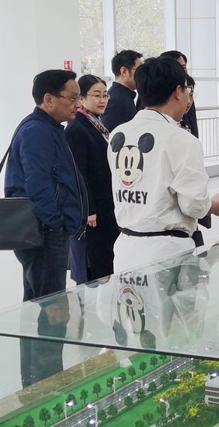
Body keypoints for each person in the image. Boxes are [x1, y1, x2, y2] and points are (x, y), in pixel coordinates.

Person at [107, 57, 219, 272]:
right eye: (188, 89)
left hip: (126, 247)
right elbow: (194, 205)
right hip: (167, 252)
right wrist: (215, 205)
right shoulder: (180, 139)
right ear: (178, 92)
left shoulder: (119, 133)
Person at [5, 70, 86, 301]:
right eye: (73, 98)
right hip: (44, 232)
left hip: (46, 229)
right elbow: (38, 184)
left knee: (40, 299)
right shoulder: (37, 131)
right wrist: (55, 224)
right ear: (49, 99)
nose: (78, 104)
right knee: (52, 304)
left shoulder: (49, 128)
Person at [65, 74, 119, 283]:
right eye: (96, 95)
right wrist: (89, 209)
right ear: (82, 98)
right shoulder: (77, 128)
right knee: (92, 260)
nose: (102, 100)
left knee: (104, 257)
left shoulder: (96, 123)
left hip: (105, 203)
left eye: (105, 95)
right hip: (93, 208)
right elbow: (79, 172)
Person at [101, 50, 143, 132]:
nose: (142, 75)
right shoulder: (118, 101)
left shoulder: (121, 95)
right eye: (139, 71)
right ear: (124, 71)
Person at [159, 50, 198, 137]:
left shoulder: (188, 82)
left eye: (183, 67)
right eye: (177, 67)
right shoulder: (155, 89)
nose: (188, 101)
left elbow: (191, 118)